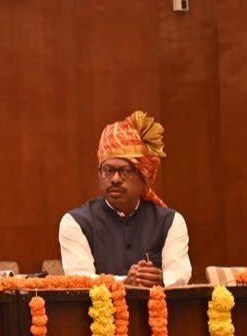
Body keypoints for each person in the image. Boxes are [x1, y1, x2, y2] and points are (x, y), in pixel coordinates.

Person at [58, 111, 191, 287]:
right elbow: (80, 279)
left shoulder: (170, 221)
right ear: (99, 174)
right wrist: (124, 283)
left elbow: (180, 272)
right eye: (108, 170)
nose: (115, 179)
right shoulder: (76, 222)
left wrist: (160, 278)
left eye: (126, 171)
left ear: (143, 175)